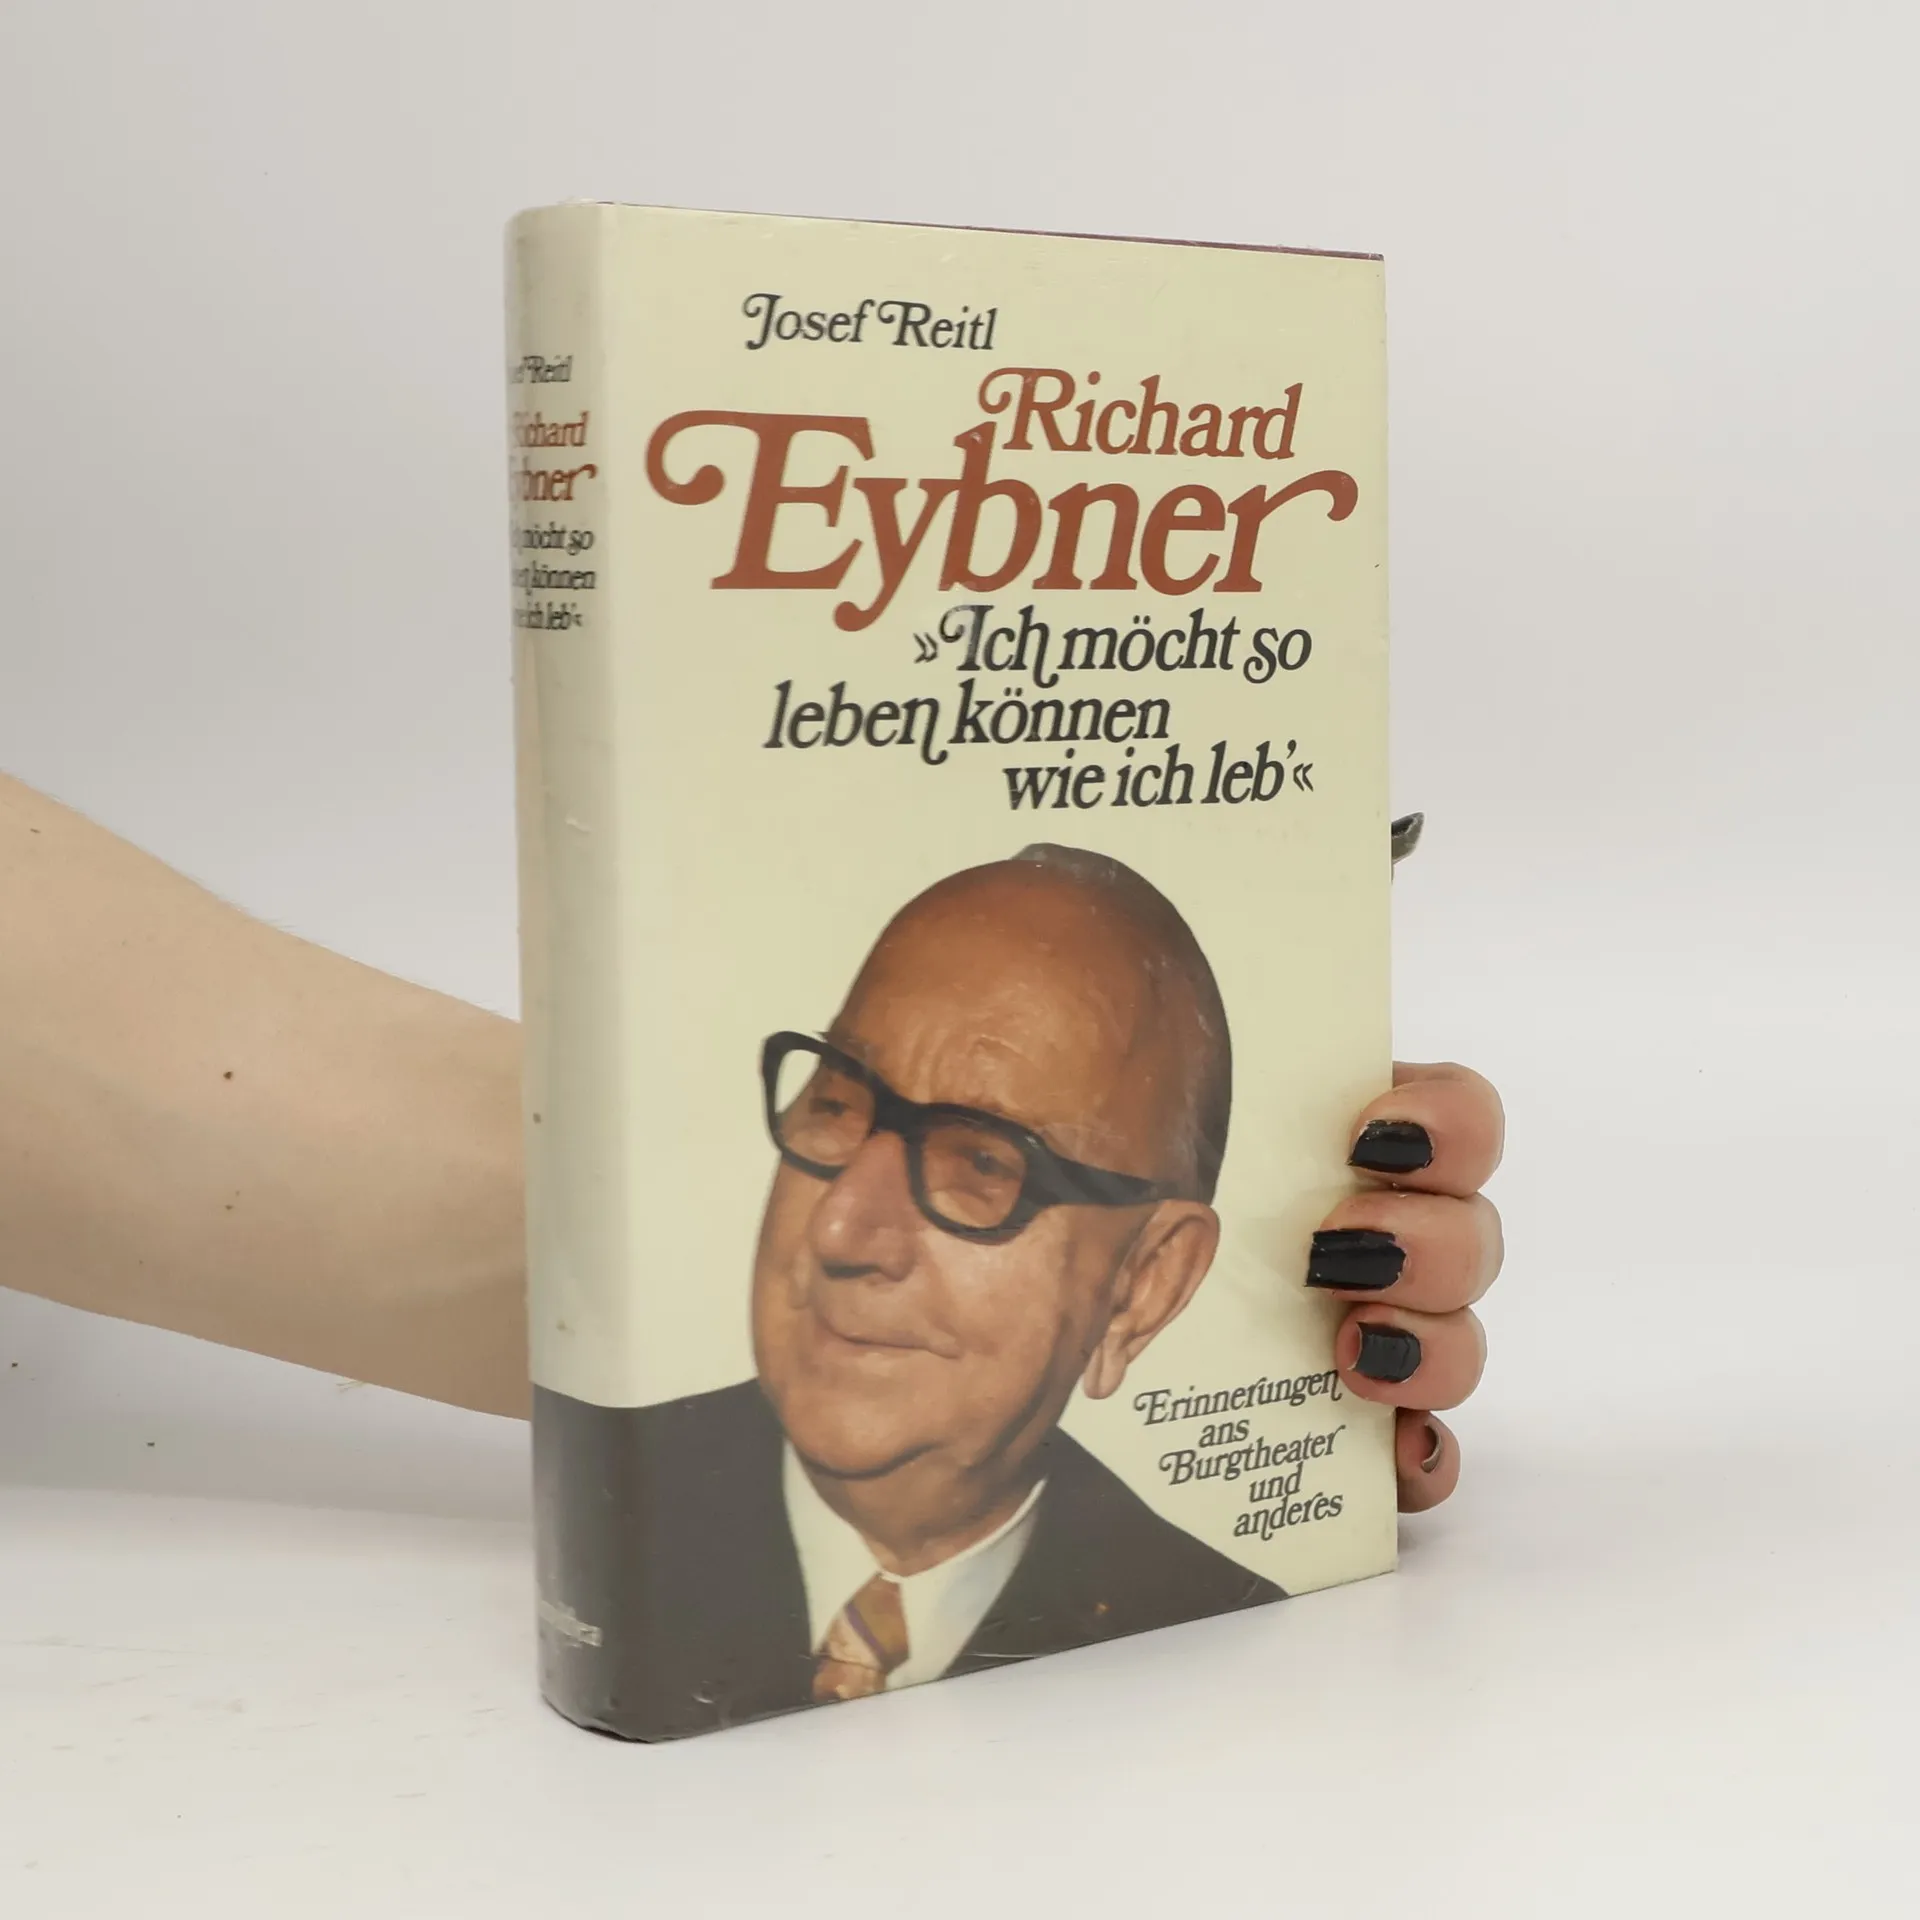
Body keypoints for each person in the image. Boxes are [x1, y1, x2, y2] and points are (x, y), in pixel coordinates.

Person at [0, 773, 1503, 1703]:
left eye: (984, 1165)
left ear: (1151, 1282)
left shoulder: (1219, 1615)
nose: (844, 1223)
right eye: (839, 1105)